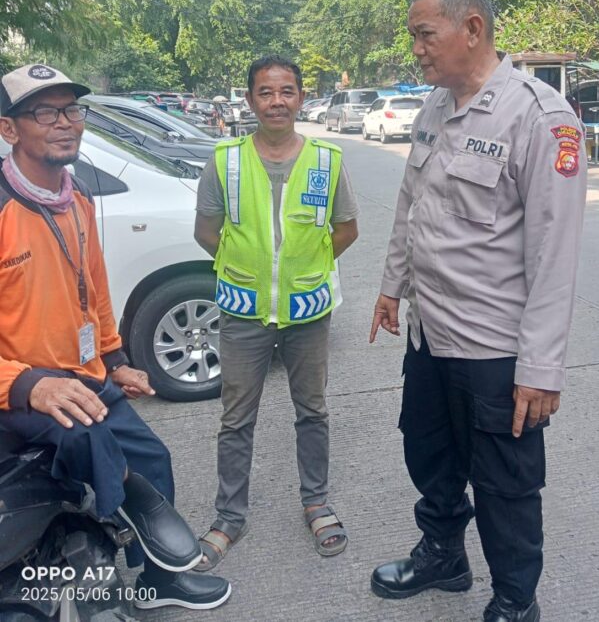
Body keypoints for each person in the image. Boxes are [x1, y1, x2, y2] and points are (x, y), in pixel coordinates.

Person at [369, 0, 587, 622]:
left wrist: (541, 368)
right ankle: (443, 555)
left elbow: (554, 255)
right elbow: (412, 205)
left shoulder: (539, 117)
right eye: (413, 36)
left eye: (424, 34)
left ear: (472, 29)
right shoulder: (435, 108)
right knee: (429, 453)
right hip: (430, 333)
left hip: (493, 347)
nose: (416, 49)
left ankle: (516, 601)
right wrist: (392, 286)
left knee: (505, 484)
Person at [0, 63, 231, 612]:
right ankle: (131, 504)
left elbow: (93, 290)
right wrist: (29, 385)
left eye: (72, 110)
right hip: (21, 385)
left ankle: (160, 580)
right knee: (86, 436)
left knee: (154, 455)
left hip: (82, 373)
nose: (66, 123)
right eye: (45, 113)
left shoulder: (75, 197)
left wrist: (115, 356)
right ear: (9, 129)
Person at [194, 55, 359, 568]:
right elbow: (207, 232)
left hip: (307, 311)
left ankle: (317, 503)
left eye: (287, 91)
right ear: (250, 100)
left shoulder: (327, 160)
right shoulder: (225, 160)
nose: (276, 101)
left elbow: (346, 229)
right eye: (265, 92)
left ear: (301, 98)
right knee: (235, 418)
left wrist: (301, 271)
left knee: (312, 411)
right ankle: (229, 516)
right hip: (243, 312)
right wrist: (251, 272)